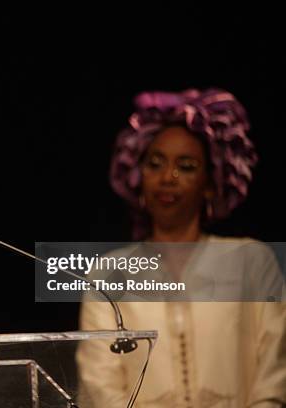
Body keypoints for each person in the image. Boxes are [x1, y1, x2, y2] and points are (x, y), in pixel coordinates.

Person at [76, 89, 285, 407]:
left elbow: (273, 379)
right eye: (155, 163)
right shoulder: (108, 273)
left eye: (185, 166)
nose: (167, 177)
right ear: (139, 177)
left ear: (210, 184)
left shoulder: (251, 260)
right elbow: (99, 388)